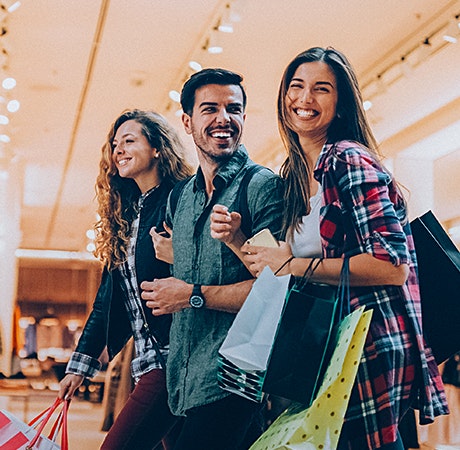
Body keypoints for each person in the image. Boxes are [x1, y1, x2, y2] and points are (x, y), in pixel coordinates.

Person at [210, 47, 449, 450]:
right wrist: (236, 238)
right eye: (296, 86)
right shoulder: (297, 173)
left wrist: (295, 265)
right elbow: (279, 274)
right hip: (324, 347)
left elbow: (392, 266)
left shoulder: (348, 159)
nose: (304, 99)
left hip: (362, 346)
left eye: (321, 89)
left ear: (340, 104)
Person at [140, 68, 284, 450]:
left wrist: (191, 294)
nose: (224, 118)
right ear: (187, 121)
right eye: (210, 109)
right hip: (183, 382)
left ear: (244, 119)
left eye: (233, 109)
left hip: (234, 379)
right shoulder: (180, 199)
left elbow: (275, 289)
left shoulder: (262, 187)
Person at [58, 109, 193, 450]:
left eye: (129, 141)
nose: (118, 150)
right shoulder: (129, 215)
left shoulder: (180, 201)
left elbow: (206, 270)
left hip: (174, 358)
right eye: (115, 144)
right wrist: (80, 367)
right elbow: (108, 299)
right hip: (148, 362)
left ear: (159, 148)